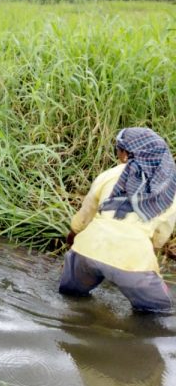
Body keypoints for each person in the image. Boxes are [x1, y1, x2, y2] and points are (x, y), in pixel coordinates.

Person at [59, 127, 176, 312]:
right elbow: (159, 239)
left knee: (70, 298)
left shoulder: (109, 175)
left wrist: (72, 239)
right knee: (159, 313)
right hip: (134, 260)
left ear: (124, 154)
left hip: (88, 248)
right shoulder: (168, 190)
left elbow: (83, 219)